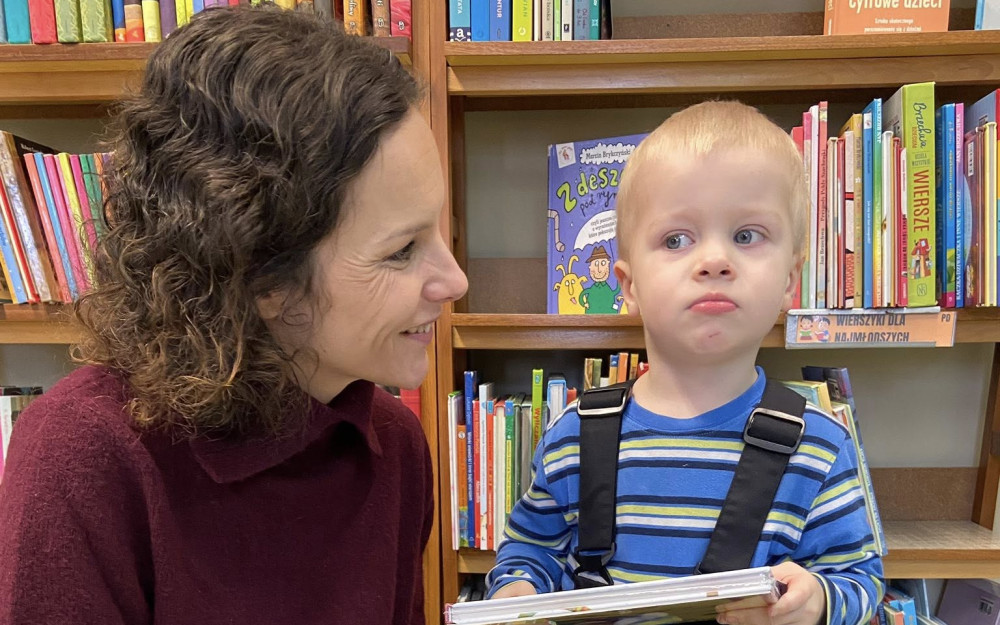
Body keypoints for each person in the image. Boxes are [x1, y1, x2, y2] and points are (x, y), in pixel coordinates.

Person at [0, 6, 467, 625]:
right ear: (263, 275)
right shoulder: (84, 456)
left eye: (438, 230)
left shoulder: (395, 447)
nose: (455, 280)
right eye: (400, 250)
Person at [487, 101, 884, 625]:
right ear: (628, 286)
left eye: (747, 235)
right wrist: (515, 592)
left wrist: (817, 601)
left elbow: (860, 580)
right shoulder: (573, 436)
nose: (714, 260)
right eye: (677, 239)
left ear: (791, 280)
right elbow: (528, 553)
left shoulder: (821, 447)